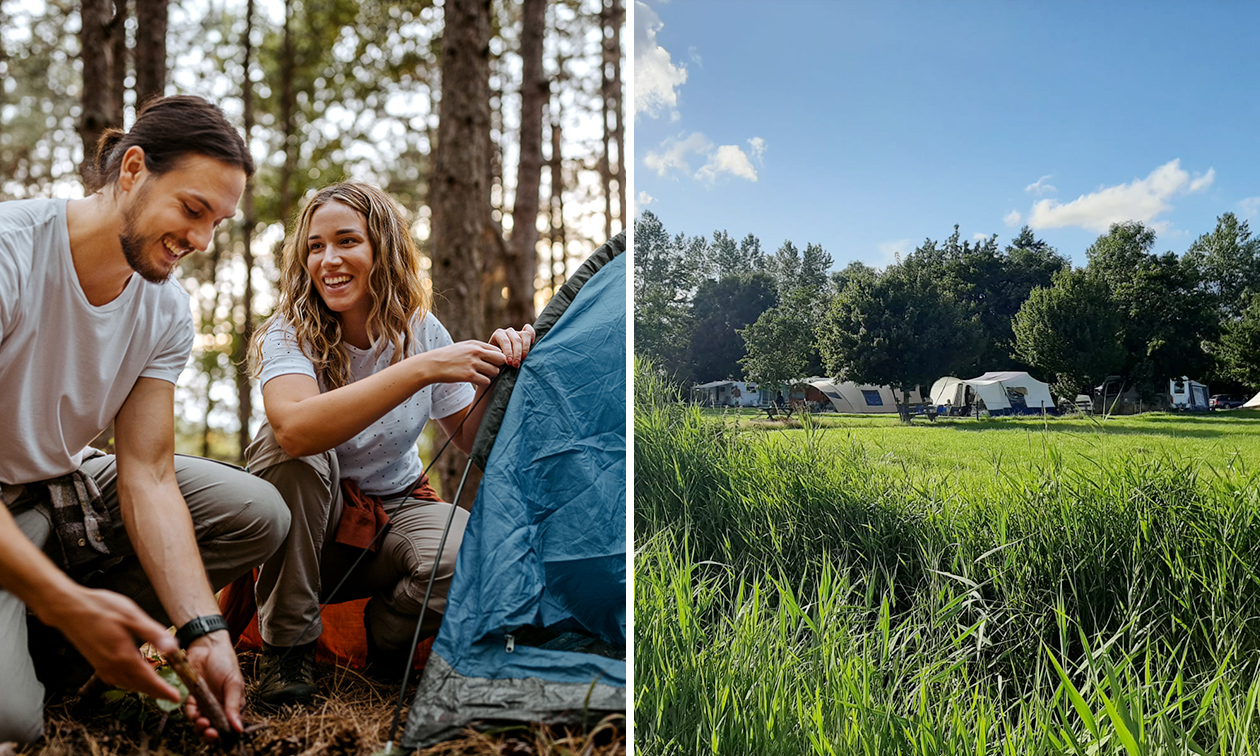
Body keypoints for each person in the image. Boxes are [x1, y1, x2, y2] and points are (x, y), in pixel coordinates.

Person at [0, 95, 290, 744]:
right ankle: (55, 624)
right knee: (9, 720)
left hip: (60, 488)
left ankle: (63, 649)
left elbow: (150, 475)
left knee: (256, 511)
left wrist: (204, 630)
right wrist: (68, 604)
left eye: (218, 222)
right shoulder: (10, 254)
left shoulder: (166, 310)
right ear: (132, 169)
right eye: (192, 209)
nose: (201, 240)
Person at [244, 181, 534, 707]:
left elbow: (470, 439)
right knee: (290, 452)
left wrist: (501, 373)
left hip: (398, 506)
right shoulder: (288, 334)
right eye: (315, 246)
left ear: (383, 247)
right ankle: (287, 654)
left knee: (477, 558)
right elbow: (294, 428)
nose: (328, 259)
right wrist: (420, 370)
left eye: (347, 241)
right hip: (309, 528)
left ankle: (380, 637)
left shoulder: (422, 330)